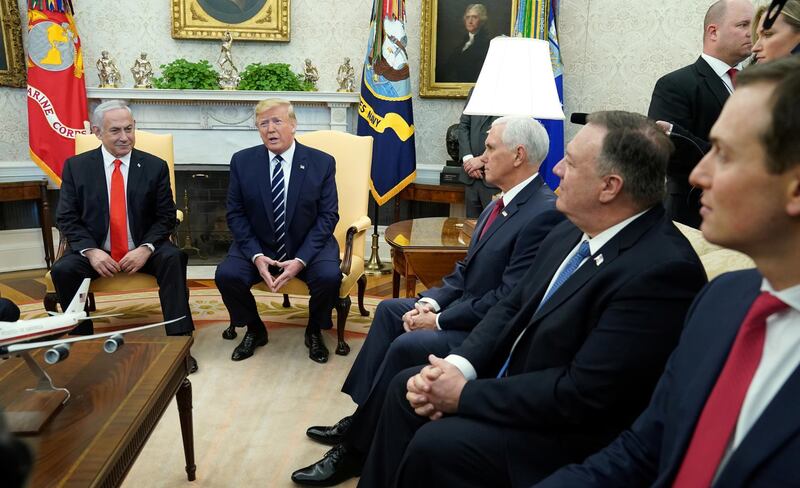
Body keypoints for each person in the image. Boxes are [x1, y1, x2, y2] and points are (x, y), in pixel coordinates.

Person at [357, 111, 709, 487]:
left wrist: (464, 395)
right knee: (407, 388)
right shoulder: (571, 232)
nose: (556, 169)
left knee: (437, 444)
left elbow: (581, 395)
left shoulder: (662, 272)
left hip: (567, 432)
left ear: (609, 186)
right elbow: (510, 308)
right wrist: (458, 367)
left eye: (570, 162)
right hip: (518, 387)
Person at [537, 55, 800, 488]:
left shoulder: (672, 273)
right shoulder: (722, 299)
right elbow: (645, 450)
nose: (699, 173)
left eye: (726, 154)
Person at [291, 117, 566, 486]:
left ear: (518, 155)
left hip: (483, 331)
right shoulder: (497, 204)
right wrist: (432, 304)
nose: (481, 157)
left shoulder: (542, 213)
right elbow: (464, 271)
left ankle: (355, 451)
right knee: (390, 310)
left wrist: (439, 321)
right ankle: (362, 419)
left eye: (489, 148)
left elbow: (508, 300)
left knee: (411, 343)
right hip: (459, 309)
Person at [52, 100, 196, 372]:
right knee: (64, 269)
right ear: (97, 132)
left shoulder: (155, 166)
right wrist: (91, 251)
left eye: (129, 129)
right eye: (115, 130)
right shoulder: (76, 167)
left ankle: (179, 345)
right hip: (97, 250)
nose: (124, 137)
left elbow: (166, 216)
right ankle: (84, 343)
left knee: (174, 258)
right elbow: (67, 217)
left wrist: (146, 248)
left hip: (142, 247)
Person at [215, 98, 340, 364]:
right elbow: (235, 214)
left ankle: (314, 329)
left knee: (329, 277)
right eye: (263, 123)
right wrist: (256, 256)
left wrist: (301, 260)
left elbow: (328, 216)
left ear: (293, 125)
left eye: (277, 121)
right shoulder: (242, 162)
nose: (270, 129)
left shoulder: (322, 163)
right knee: (226, 275)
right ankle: (254, 328)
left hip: (308, 244)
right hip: (259, 244)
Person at [648, 0, 754, 228]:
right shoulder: (676, 85)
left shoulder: (759, 84)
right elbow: (667, 153)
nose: (752, 33)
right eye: (743, 25)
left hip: (753, 218)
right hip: (695, 216)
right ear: (713, 31)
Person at [458, 87, 498, 217]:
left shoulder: (514, 93)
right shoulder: (475, 91)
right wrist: (469, 161)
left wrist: (481, 160)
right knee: (471, 231)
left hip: (496, 177)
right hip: (471, 176)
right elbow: (464, 126)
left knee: (493, 229)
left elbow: (511, 136)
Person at [436, 4, 491, 83]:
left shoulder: (486, 44)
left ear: (482, 20)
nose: (470, 21)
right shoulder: (461, 44)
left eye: (474, 17)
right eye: (467, 17)